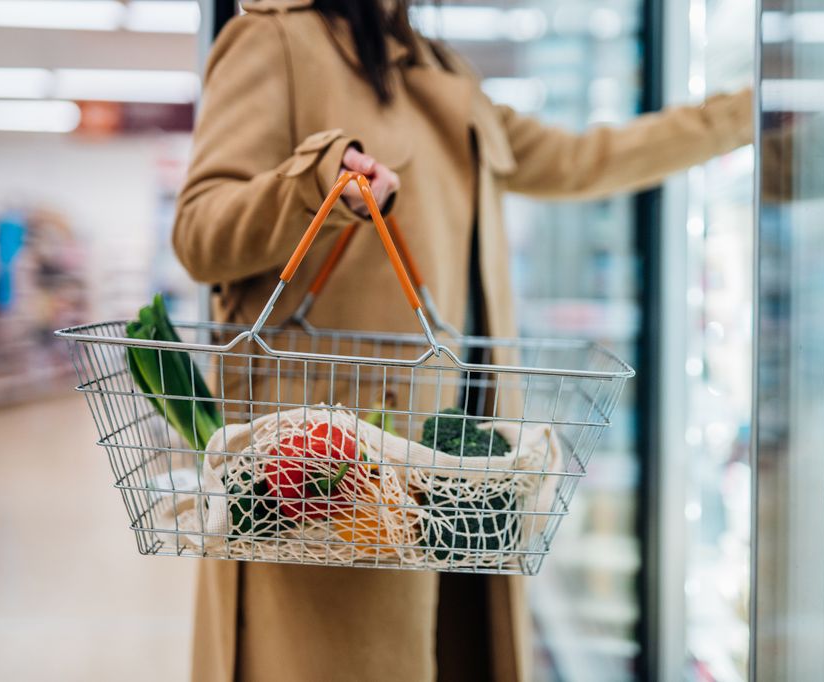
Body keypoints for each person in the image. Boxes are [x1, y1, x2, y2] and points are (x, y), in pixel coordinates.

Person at [172, 0, 752, 679]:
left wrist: (745, 114)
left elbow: (577, 161)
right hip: (328, 478)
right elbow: (199, 234)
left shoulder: (437, 64)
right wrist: (312, 184)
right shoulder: (272, 40)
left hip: (459, 469)